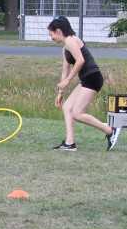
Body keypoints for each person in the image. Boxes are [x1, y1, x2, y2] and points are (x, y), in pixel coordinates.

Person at [48, 16, 120, 151]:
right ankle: (69, 143)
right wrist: (60, 93)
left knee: (77, 113)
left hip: (93, 77)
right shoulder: (65, 48)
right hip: (86, 79)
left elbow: (80, 61)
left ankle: (110, 130)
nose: (51, 38)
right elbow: (66, 69)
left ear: (58, 31)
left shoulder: (71, 41)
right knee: (67, 107)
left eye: (51, 34)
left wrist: (68, 80)